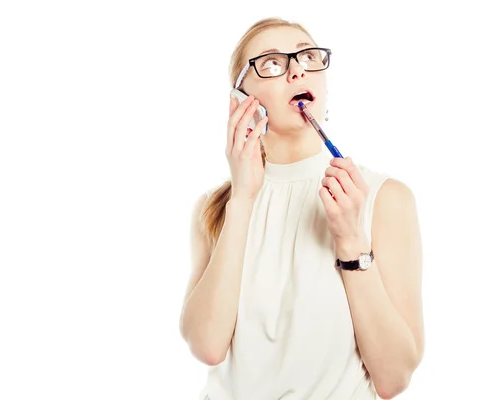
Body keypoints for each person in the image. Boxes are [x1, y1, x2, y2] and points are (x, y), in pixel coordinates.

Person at [178, 17, 424, 400]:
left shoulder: (384, 198)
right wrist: (243, 199)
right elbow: (207, 346)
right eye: (273, 62)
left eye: (309, 57)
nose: (297, 70)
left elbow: (393, 378)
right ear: (241, 101)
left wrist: (350, 242)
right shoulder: (216, 208)